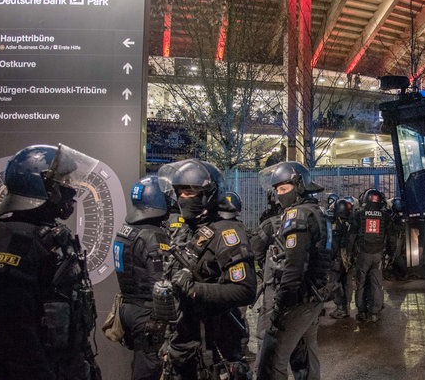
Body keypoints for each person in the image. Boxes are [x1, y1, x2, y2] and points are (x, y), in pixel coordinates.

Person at [0, 143, 101, 380]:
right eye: (64, 182)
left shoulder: (49, 235)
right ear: (41, 184)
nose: (70, 190)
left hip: (68, 366)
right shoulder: (12, 241)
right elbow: (17, 333)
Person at [157, 158, 257, 380]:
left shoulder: (227, 233)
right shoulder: (186, 230)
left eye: (190, 192)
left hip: (213, 346)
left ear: (208, 194)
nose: (183, 198)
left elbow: (245, 290)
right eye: (179, 192)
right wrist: (168, 344)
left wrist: (195, 290)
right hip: (182, 345)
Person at [256, 161, 332, 380]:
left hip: (296, 300)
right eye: (277, 190)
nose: (279, 195)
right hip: (312, 296)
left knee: (271, 360)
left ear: (299, 186)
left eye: (284, 189)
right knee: (306, 355)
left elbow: (294, 267)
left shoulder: (297, 215)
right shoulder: (317, 212)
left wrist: (281, 306)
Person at [112, 175, 171, 380]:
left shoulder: (126, 231)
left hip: (128, 308)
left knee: (140, 363)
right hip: (148, 313)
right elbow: (161, 284)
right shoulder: (153, 235)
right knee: (149, 369)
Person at [350, 188, 389, 323]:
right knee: (376, 284)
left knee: (360, 284)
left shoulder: (359, 214)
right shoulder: (385, 215)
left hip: (363, 254)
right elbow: (388, 236)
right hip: (377, 254)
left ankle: (362, 312)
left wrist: (349, 252)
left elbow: (352, 235)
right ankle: (374, 313)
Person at [328, 198, 354, 319]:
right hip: (349, 259)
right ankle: (347, 306)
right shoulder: (352, 223)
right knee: (347, 283)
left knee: (334, 283)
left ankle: (340, 308)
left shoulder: (335, 225)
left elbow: (332, 245)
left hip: (337, 259)